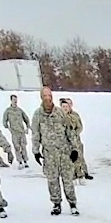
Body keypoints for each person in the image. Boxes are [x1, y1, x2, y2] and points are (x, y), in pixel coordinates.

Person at [31, 86, 80, 216]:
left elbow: (70, 132)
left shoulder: (60, 113)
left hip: (64, 153)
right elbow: (36, 134)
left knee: (68, 180)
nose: (48, 98)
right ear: (41, 97)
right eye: (45, 96)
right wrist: (36, 151)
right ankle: (56, 204)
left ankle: (73, 204)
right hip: (49, 154)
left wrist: (75, 149)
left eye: (49, 95)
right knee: (52, 180)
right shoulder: (37, 115)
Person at [60, 98, 93, 183]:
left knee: (79, 157)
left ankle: (82, 173)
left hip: (75, 140)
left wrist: (75, 134)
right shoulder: (59, 116)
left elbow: (80, 127)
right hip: (65, 142)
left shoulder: (74, 115)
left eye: (67, 105)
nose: (66, 108)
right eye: (63, 106)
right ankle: (72, 175)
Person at [3, 95, 30, 169]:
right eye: (14, 100)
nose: (15, 101)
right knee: (17, 147)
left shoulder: (20, 110)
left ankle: (25, 161)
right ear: (11, 100)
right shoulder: (8, 111)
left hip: (21, 132)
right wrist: (9, 128)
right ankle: (20, 161)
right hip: (14, 133)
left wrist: (27, 128)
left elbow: (26, 119)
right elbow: (4, 121)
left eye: (16, 100)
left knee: (23, 146)